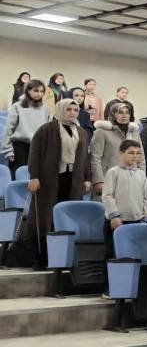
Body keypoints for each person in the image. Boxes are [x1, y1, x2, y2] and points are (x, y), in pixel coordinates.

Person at [22, 99, 91, 266]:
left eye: (75, 110)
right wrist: (34, 176)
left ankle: (64, 259)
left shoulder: (81, 131)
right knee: (47, 217)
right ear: (60, 110)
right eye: (69, 109)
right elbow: (34, 154)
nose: (72, 112)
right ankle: (43, 259)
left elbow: (85, 157)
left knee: (67, 215)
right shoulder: (46, 129)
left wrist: (87, 177)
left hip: (73, 180)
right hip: (49, 179)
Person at [101, 140, 147, 260]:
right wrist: (114, 216)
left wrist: (145, 218)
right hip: (118, 221)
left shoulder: (141, 174)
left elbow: (145, 198)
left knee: (133, 255)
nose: (135, 156)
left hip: (137, 221)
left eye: (138, 153)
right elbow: (107, 196)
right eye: (131, 153)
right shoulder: (113, 172)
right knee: (115, 255)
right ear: (121, 153)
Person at [90, 102, 143, 197]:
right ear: (113, 114)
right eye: (120, 112)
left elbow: (141, 157)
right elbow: (95, 157)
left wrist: (142, 176)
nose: (124, 115)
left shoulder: (134, 132)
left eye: (127, 112)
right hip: (108, 178)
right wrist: (98, 180)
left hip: (130, 178)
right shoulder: (102, 131)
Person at [2, 79, 50, 170]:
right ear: (28, 91)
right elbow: (9, 130)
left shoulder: (45, 108)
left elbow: (47, 129)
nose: (39, 94)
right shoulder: (17, 106)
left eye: (42, 91)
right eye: (36, 91)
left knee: (36, 175)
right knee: (20, 173)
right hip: (20, 146)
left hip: (38, 146)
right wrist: (8, 150)